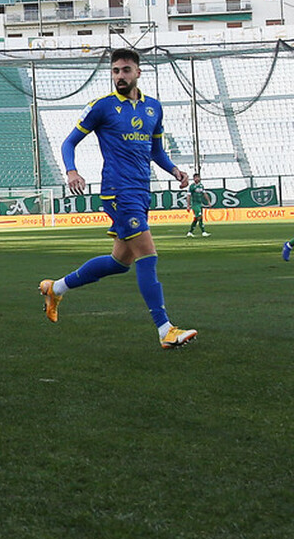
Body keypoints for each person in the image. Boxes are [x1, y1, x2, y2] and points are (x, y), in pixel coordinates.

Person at [39, 48, 197, 350]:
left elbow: (156, 151)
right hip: (118, 192)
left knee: (119, 262)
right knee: (148, 254)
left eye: (125, 70)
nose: (119, 76)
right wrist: (72, 171)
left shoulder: (154, 108)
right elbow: (69, 142)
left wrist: (174, 169)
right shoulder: (103, 107)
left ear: (138, 72)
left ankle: (55, 288)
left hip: (141, 191)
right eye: (115, 71)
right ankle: (165, 329)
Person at [185, 173, 210, 238]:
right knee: (200, 216)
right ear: (193, 179)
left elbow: (205, 194)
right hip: (195, 204)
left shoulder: (201, 186)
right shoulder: (192, 186)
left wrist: (208, 202)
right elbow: (188, 196)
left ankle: (190, 232)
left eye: (198, 177)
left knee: (196, 219)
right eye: (195, 177)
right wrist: (188, 205)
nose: (197, 179)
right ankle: (203, 232)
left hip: (200, 204)